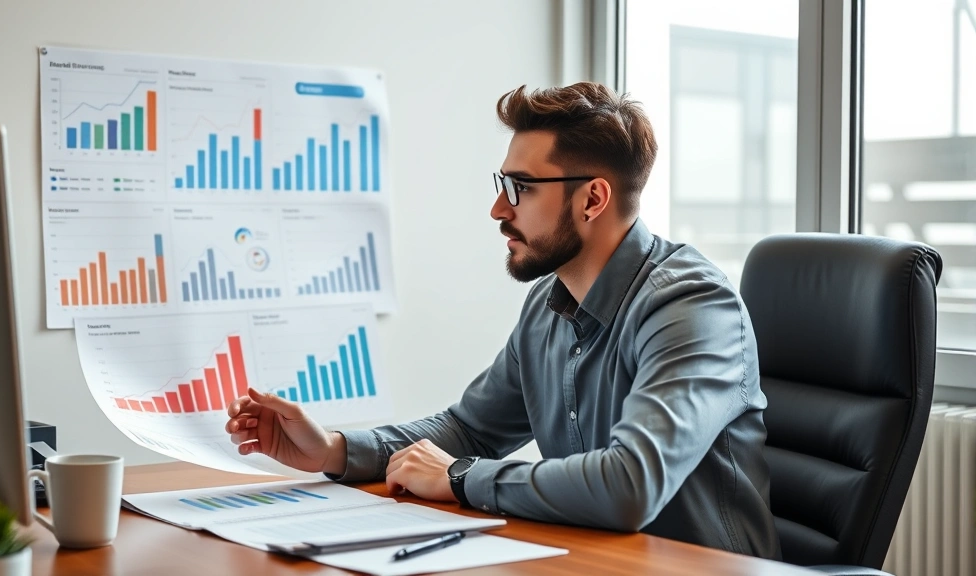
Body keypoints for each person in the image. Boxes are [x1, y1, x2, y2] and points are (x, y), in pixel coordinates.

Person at [225, 81, 781, 560]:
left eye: (521, 188)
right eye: (501, 185)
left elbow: (629, 484)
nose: (498, 209)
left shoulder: (692, 308)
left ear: (593, 199)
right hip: (593, 560)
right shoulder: (549, 303)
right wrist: (335, 450)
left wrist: (461, 478)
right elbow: (470, 430)